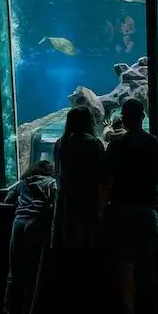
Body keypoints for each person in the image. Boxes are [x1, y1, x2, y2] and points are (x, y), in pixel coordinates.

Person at [105, 99, 158, 314]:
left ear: (123, 118)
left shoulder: (115, 146)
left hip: (122, 212)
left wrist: (101, 210)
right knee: (149, 267)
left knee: (126, 269)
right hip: (148, 212)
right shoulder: (155, 145)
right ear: (143, 117)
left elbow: (107, 180)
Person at [3, 160, 57, 314]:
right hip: (36, 223)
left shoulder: (23, 182)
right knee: (32, 271)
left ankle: (9, 313)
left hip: (18, 222)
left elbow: (8, 199)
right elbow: (56, 203)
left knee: (15, 271)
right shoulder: (51, 182)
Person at [53, 106, 107, 249]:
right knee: (87, 244)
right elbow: (102, 176)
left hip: (65, 202)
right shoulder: (94, 143)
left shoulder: (60, 143)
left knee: (67, 245)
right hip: (87, 200)